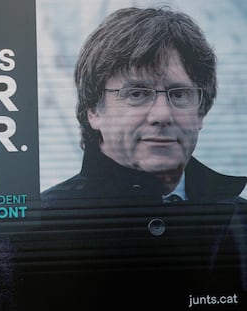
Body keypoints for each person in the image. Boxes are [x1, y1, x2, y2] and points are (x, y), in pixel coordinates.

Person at [39, 6, 247, 310]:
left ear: (201, 111)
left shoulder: (242, 225)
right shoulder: (32, 234)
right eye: (137, 93)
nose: (162, 115)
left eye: (179, 93)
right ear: (93, 111)